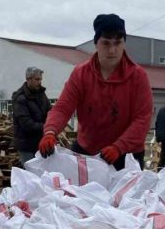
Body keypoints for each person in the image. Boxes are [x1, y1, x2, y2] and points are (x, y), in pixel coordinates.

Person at [37, 13, 153, 170]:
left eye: (117, 43)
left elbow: (142, 120)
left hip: (126, 156)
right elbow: (63, 108)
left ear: (124, 43)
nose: (112, 50)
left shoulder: (138, 77)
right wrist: (50, 131)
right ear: (96, 44)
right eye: (106, 43)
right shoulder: (81, 74)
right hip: (87, 152)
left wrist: (119, 147)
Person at [12, 66, 51, 165]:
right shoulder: (20, 98)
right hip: (26, 145)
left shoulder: (41, 94)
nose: (40, 82)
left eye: (40, 79)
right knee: (30, 174)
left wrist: (53, 122)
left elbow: (49, 110)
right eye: (37, 79)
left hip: (40, 142)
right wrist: (46, 126)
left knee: (43, 173)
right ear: (28, 79)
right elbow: (27, 124)